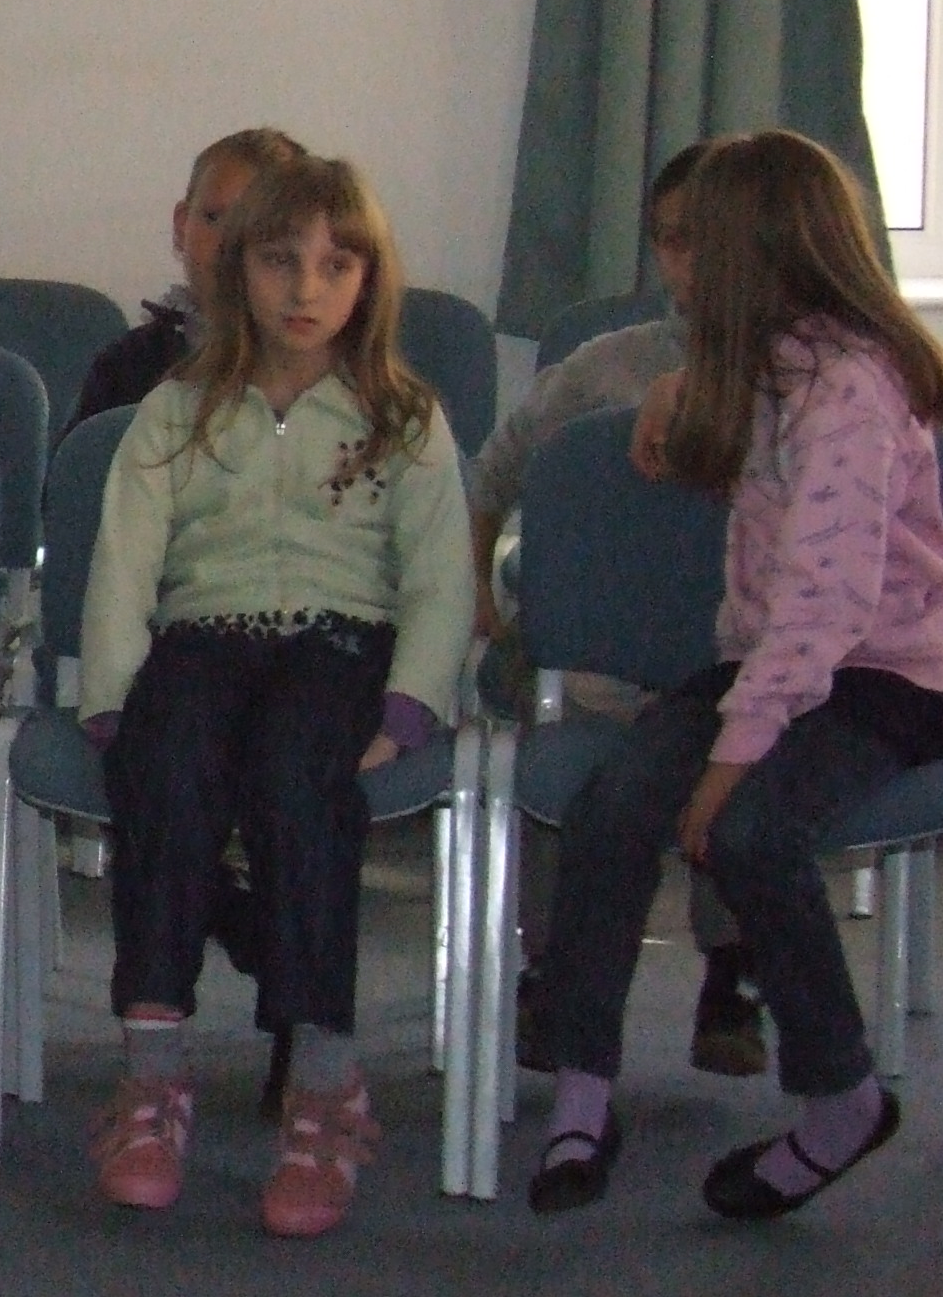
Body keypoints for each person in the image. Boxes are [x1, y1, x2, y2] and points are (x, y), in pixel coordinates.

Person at [523, 131, 943, 1220]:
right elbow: (776, 621)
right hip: (767, 658)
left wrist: (726, 767)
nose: (679, 268)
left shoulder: (850, 388)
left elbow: (824, 607)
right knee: (611, 807)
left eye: (699, 245)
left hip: (892, 672)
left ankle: (841, 1097)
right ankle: (583, 1088)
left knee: (750, 833)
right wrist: (674, 386)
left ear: (762, 254)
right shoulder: (764, 362)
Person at [80, 153, 473, 1237]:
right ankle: (151, 1072)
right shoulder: (176, 410)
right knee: (163, 771)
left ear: (368, 281)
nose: (305, 289)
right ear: (235, 272)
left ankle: (323, 1087)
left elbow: (442, 577)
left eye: (335, 266)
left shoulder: (403, 415)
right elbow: (124, 562)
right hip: (204, 638)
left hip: (337, 646)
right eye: (278, 262)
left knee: (299, 783)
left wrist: (410, 701)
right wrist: (111, 697)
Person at [471, 145, 760, 1075]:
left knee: (746, 723)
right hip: (597, 669)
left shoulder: (812, 378)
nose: (692, 262)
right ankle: (551, 969)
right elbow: (486, 482)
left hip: (740, 664)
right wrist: (478, 594)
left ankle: (734, 970)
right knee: (555, 715)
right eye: (672, 241)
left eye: (713, 238)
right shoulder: (603, 372)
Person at [65, 125, 309, 433]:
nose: (228, 243)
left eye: (259, 226)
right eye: (213, 218)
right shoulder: (129, 365)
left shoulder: (325, 372)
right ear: (182, 226)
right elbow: (82, 458)